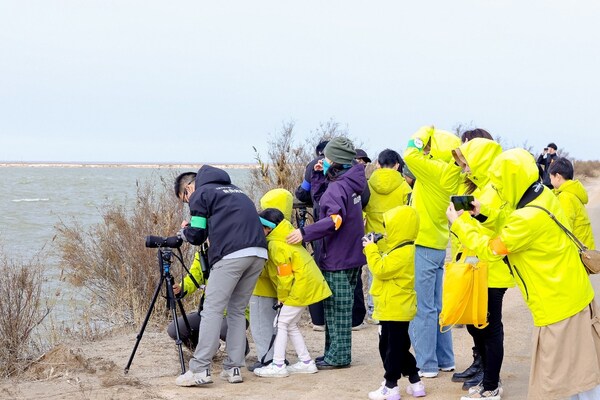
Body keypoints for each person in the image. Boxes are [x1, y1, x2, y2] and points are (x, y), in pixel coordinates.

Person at [447, 148, 600, 400]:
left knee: (565, 383)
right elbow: (510, 218)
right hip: (571, 297)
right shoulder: (543, 196)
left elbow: (492, 249)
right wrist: (482, 213)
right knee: (581, 374)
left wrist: (461, 224)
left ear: (512, 181)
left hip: (558, 307)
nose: (498, 190)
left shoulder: (527, 219)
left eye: (500, 184)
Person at [173, 166, 267, 387]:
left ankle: (200, 370)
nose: (188, 202)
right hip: (258, 254)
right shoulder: (236, 191)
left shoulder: (200, 194)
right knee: (235, 311)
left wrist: (184, 232)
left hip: (232, 256)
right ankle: (234, 368)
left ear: (189, 188)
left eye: (184, 199)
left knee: (212, 311)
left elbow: (196, 235)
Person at [287, 137, 367, 369]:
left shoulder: (339, 186)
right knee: (340, 304)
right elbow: (323, 200)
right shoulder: (352, 181)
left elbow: (333, 219)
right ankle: (333, 352)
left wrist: (304, 232)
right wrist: (320, 176)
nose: (322, 160)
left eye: (327, 158)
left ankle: (338, 357)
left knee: (337, 308)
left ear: (336, 161)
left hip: (337, 256)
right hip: (353, 253)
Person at [451, 138, 516, 399]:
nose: (464, 169)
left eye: (466, 163)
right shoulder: (487, 187)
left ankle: (491, 385)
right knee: (480, 326)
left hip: (493, 268)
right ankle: (488, 380)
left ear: (478, 160)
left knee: (489, 328)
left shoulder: (495, 190)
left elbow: (492, 226)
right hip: (481, 266)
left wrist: (460, 221)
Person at [404, 126, 461, 378]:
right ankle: (445, 359)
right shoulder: (453, 172)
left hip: (423, 244)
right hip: (439, 243)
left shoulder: (434, 170)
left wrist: (425, 131)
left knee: (424, 308)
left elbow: (409, 154)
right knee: (438, 307)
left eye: (429, 146)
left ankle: (426, 364)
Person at [253, 208, 332, 378]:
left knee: (281, 323)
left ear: (267, 228)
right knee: (291, 324)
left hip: (300, 287)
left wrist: (282, 298)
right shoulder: (286, 235)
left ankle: (278, 364)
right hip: (308, 284)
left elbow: (285, 276)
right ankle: (306, 362)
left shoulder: (275, 245)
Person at [363, 205, 426, 400]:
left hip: (394, 307)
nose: (387, 231)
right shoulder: (403, 248)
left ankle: (391, 386)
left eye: (390, 227)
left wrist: (371, 248)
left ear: (400, 228)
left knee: (389, 348)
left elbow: (380, 269)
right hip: (395, 306)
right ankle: (416, 382)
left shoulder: (403, 252)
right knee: (398, 346)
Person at [167, 251, 251, 355]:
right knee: (175, 329)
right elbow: (194, 277)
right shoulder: (203, 252)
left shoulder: (236, 251)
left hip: (233, 313)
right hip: (209, 311)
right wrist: (181, 288)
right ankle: (205, 351)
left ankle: (241, 350)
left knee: (224, 330)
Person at [363, 149, 412, 324]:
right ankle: (391, 310)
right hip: (395, 239)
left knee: (374, 272)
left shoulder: (368, 185)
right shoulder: (404, 186)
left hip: (372, 238)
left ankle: (372, 309)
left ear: (378, 164)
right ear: (397, 165)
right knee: (395, 277)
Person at [247, 188, 294, 371]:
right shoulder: (289, 233)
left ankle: (266, 359)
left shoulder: (269, 239)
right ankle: (278, 355)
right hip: (279, 289)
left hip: (261, 288)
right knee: (277, 325)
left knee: (260, 326)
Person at [295, 140, 329, 331]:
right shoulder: (347, 166)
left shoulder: (312, 166)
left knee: (318, 268)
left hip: (319, 225)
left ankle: (319, 320)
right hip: (341, 226)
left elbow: (302, 193)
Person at [549, 157, 595, 249]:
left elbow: (564, 228)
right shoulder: (572, 192)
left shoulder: (566, 197)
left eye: (550, 177)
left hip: (577, 253)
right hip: (584, 249)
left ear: (558, 177)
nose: (550, 180)